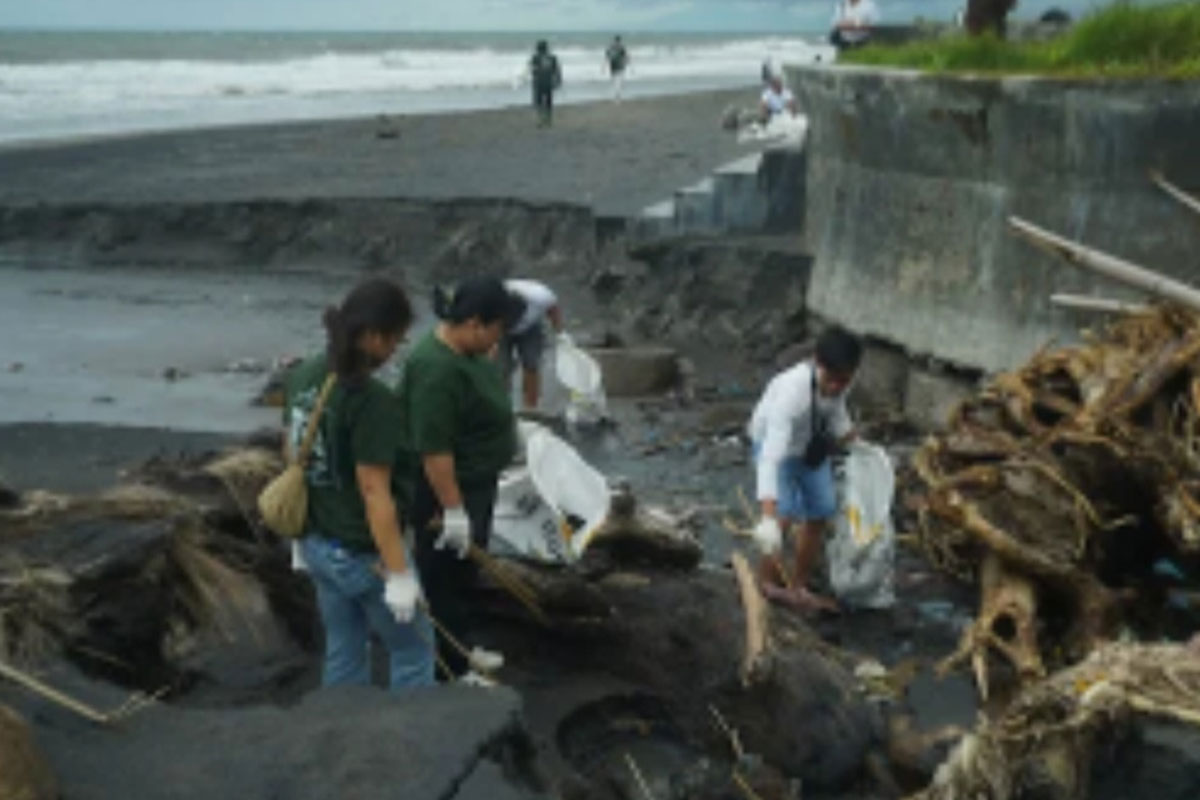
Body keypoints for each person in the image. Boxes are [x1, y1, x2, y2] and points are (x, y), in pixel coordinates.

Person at [287, 278, 434, 691]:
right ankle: (414, 730)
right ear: (373, 336)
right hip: (363, 552)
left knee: (344, 648)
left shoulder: (304, 375)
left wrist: (300, 536)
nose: (394, 351)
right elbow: (374, 492)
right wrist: (399, 573)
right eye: (395, 340)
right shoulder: (371, 401)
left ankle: (341, 725)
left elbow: (295, 453)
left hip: (317, 542)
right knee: (414, 651)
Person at [395, 277, 525, 679]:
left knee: (464, 570)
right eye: (497, 329)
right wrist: (453, 510)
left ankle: (461, 648)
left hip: (477, 484)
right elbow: (435, 451)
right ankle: (448, 669)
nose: (499, 339)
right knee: (443, 579)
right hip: (445, 492)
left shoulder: (469, 351)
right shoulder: (436, 371)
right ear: (473, 323)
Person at [748, 326, 862, 612]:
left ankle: (799, 586)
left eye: (844, 380)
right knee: (782, 517)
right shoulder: (791, 392)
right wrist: (767, 516)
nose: (836, 387)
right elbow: (770, 457)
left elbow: (836, 411)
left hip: (810, 447)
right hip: (776, 448)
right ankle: (766, 584)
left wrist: (854, 439)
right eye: (831, 379)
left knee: (821, 510)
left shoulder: (843, 381)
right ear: (818, 363)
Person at [500, 278, 563, 410]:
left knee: (531, 364)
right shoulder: (495, 296)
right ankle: (501, 404)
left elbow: (553, 311)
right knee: (500, 367)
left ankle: (530, 407)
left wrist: (560, 334)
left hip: (531, 328)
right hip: (500, 329)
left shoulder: (541, 297)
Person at [529, 40, 563, 128]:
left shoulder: (535, 58)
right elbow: (557, 71)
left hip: (539, 83)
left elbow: (533, 70)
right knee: (548, 102)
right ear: (546, 48)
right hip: (549, 83)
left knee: (538, 102)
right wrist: (558, 81)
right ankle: (548, 120)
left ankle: (540, 121)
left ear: (538, 48)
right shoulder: (552, 58)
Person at [605, 35, 630, 102]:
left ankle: (617, 94)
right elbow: (626, 56)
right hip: (620, 66)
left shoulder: (610, 47)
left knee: (615, 81)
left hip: (613, 66)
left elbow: (607, 57)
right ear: (620, 40)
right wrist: (628, 64)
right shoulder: (622, 47)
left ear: (614, 40)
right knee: (619, 81)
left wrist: (604, 66)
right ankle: (617, 94)